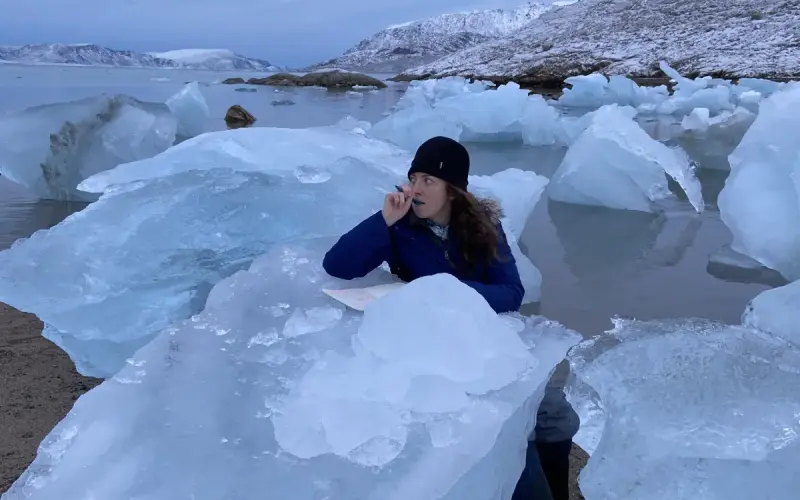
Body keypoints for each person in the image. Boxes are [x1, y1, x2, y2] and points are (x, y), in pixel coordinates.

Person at [322, 136, 578, 500]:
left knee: (555, 415)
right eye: (414, 178)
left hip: (485, 333)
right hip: (433, 344)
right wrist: (384, 221)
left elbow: (511, 293)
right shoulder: (400, 225)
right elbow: (337, 265)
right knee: (505, 430)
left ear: (454, 190)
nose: (416, 189)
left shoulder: (483, 226)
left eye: (429, 180)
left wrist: (447, 294)